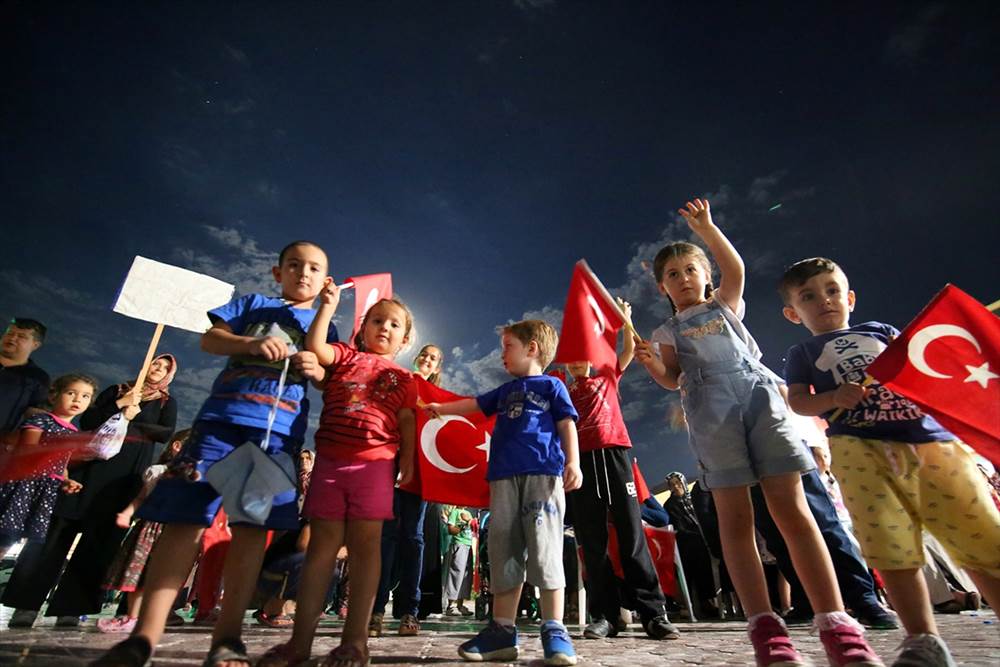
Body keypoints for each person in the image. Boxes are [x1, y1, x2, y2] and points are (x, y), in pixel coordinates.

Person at [634, 198, 882, 667]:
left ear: (705, 274)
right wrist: (653, 365)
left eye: (690, 269)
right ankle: (765, 627)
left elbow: (736, 267)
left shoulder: (726, 304)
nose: (683, 278)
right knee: (735, 517)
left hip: (760, 398)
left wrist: (707, 230)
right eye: (672, 274)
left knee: (793, 509)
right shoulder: (666, 331)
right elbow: (672, 379)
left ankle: (837, 622)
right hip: (709, 410)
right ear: (663, 287)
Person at [90, 240, 334, 667]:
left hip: (276, 440)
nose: (304, 273)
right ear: (278, 273)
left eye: (314, 268)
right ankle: (144, 636)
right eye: (294, 265)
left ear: (325, 278)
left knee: (251, 532)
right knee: (184, 522)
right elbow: (211, 340)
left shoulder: (323, 324)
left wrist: (317, 370)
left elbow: (327, 375)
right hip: (220, 425)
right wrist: (249, 346)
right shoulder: (253, 304)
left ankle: (228, 638)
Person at [779, 256, 1000, 666]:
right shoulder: (802, 352)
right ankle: (923, 640)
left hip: (928, 443)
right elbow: (797, 400)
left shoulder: (882, 332)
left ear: (850, 298)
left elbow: (920, 367)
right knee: (889, 545)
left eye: (831, 290)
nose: (824, 301)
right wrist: (832, 398)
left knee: (978, 535)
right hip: (859, 449)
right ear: (793, 312)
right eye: (808, 297)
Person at [258, 291, 417, 667]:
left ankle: (355, 643)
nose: (385, 328)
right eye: (378, 320)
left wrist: (408, 459)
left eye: (395, 324)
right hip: (330, 464)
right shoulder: (345, 356)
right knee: (321, 551)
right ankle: (299, 643)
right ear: (362, 327)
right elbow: (316, 347)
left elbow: (408, 420)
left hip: (375, 466)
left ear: (405, 340)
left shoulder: (404, 377)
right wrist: (327, 305)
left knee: (366, 549)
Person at [428, 319, 581, 666]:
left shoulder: (552, 386)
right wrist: (440, 408)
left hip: (543, 475)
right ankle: (502, 631)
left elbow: (566, 423)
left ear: (532, 348)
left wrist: (574, 462)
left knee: (545, 548)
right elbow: (473, 404)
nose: (502, 356)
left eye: (508, 347)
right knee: (503, 550)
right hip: (503, 479)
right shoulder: (504, 391)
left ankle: (554, 630)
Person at [5, 355, 177, 629]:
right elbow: (90, 419)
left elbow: (164, 433)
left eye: (165, 368)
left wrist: (133, 419)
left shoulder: (166, 401)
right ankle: (26, 603)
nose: (158, 369)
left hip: (122, 478)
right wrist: (120, 404)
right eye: (156, 363)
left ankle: (71, 608)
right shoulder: (119, 390)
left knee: (98, 544)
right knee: (55, 537)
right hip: (90, 468)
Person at [560, 299, 678, 641]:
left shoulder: (607, 374)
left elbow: (627, 348)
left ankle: (653, 613)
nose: (578, 361)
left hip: (614, 457)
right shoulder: (563, 391)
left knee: (631, 534)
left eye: (583, 354)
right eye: (571, 358)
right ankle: (604, 616)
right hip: (581, 464)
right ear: (565, 364)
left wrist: (626, 319)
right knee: (592, 541)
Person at [369, 343, 444, 638]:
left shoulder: (436, 397)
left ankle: (409, 611)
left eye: (433, 358)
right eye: (424, 354)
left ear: (437, 368)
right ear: (416, 358)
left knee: (413, 537)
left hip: (418, 473)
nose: (427, 359)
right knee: (386, 536)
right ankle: (375, 609)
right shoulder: (398, 381)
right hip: (388, 464)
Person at [98, 429, 192, 633]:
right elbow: (141, 498)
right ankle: (133, 616)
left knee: (163, 576)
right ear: (177, 446)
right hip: (149, 529)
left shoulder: (194, 476)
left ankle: (158, 614)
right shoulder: (156, 471)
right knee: (138, 575)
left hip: (174, 530)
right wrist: (127, 513)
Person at [0, 373, 96, 559]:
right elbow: (28, 450)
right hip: (22, 487)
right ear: (54, 395)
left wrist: (66, 480)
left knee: (10, 541)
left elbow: (62, 464)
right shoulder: (41, 420)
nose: (78, 399)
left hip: (43, 492)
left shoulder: (74, 433)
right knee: (4, 532)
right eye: (71, 393)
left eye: (85, 396)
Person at [663, 472, 717, 618]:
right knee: (693, 559)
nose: (676, 486)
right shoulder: (670, 505)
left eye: (678, 483)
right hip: (685, 543)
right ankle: (697, 604)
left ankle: (709, 600)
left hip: (702, 538)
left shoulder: (693, 499)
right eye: (672, 484)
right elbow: (678, 526)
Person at [0, 318, 50, 437]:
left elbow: (35, 415)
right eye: (10, 333)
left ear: (35, 345)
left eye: (21, 336)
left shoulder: (38, 378)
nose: (12, 338)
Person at [443, 506, 475, 616]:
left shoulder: (468, 513)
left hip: (468, 545)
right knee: (456, 574)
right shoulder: (455, 512)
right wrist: (463, 524)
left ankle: (460, 604)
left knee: (466, 576)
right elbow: (451, 530)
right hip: (459, 544)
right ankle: (450, 605)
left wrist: (469, 521)